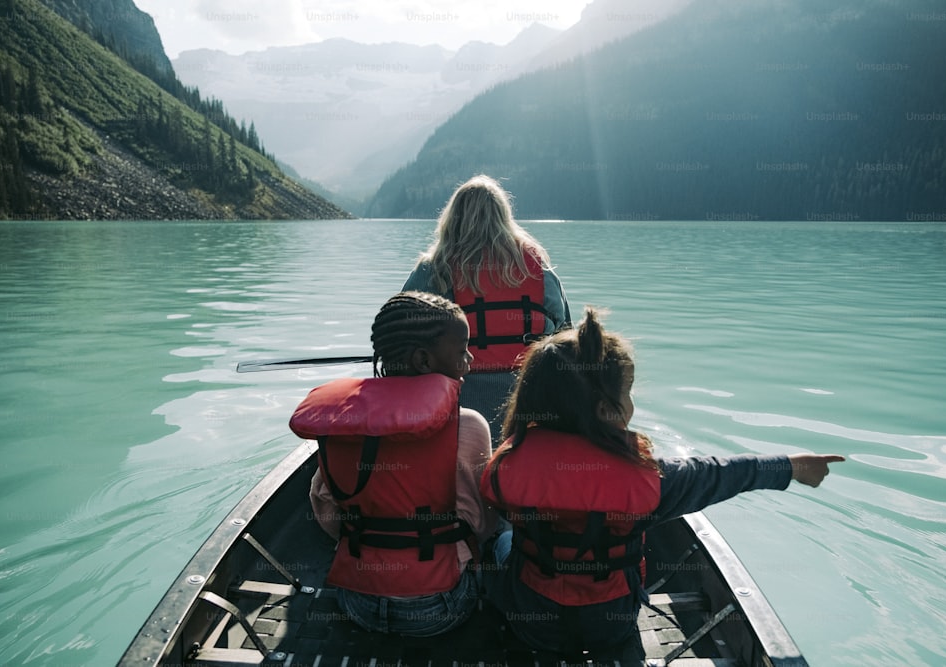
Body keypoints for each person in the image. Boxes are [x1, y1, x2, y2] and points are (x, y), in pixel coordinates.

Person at [479, 307, 845, 653]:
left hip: (532, 624)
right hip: (612, 626)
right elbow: (720, 473)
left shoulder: (504, 467)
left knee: (505, 539)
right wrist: (792, 466)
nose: (631, 400)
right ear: (607, 410)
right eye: (628, 391)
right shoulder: (652, 481)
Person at [289, 291, 498, 637]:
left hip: (356, 601)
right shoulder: (470, 425)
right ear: (423, 361)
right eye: (462, 351)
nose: (470, 359)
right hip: (441, 607)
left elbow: (326, 511)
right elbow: (481, 523)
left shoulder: (342, 423)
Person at [402, 174, 571, 441]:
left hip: (459, 403)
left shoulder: (434, 269)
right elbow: (565, 335)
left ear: (451, 218)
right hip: (531, 400)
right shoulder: (538, 267)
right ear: (505, 217)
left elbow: (399, 330)